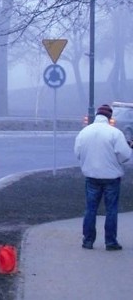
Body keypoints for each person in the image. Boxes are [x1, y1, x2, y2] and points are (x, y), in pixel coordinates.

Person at [74, 103, 132, 251]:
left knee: (90, 209)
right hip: (111, 178)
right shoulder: (115, 133)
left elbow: (78, 153)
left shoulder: (84, 132)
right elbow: (125, 156)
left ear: (97, 115)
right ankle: (110, 242)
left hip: (91, 176)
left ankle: (88, 241)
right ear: (109, 116)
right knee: (111, 210)